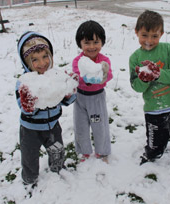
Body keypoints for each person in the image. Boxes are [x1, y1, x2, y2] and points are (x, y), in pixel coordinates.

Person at [129, 10, 170, 183]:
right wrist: (144, 79)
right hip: (153, 109)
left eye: (154, 36)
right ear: (136, 32)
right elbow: (136, 87)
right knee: (156, 141)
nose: (149, 40)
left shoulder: (168, 49)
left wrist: (158, 74)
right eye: (144, 35)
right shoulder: (135, 58)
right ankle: (153, 153)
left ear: (161, 34)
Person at [16, 31, 77, 185]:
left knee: (57, 150)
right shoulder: (24, 82)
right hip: (30, 129)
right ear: (26, 62)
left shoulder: (54, 76)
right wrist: (29, 102)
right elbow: (23, 108)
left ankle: (57, 169)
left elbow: (63, 100)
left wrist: (69, 91)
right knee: (29, 156)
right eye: (34, 60)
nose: (42, 63)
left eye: (45, 56)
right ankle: (29, 178)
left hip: (52, 125)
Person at [72, 20, 113, 162]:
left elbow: (109, 74)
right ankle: (84, 151)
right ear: (80, 44)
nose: (91, 47)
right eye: (87, 43)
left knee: (99, 125)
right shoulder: (78, 61)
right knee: (81, 126)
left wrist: (104, 75)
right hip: (80, 98)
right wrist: (86, 80)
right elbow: (77, 76)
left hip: (97, 98)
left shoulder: (104, 60)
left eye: (96, 42)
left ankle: (102, 151)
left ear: (102, 42)